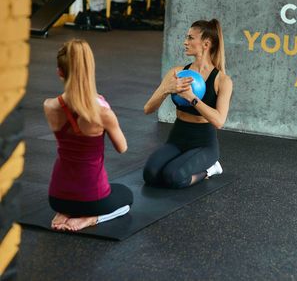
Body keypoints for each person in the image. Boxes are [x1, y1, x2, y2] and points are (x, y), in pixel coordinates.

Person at [44, 39, 133, 232]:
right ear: (89, 71)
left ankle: (64, 213)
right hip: (92, 199)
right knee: (126, 196)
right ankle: (90, 219)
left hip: (57, 198)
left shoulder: (49, 106)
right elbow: (122, 148)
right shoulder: (103, 113)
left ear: (60, 72)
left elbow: (72, 114)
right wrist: (104, 106)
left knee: (71, 195)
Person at [143, 19, 233, 188]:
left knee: (174, 177)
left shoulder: (222, 80)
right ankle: (183, 163)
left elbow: (219, 121)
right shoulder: (177, 73)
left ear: (206, 44)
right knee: (151, 174)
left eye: (191, 38)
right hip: (177, 138)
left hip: (204, 143)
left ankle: (210, 169)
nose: (185, 42)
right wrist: (167, 89)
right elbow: (148, 108)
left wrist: (192, 98)